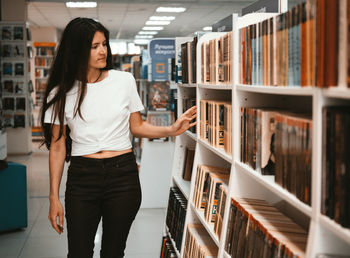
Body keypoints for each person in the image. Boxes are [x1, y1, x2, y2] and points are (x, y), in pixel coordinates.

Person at [40, 17, 197, 258]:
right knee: (79, 253)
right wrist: (53, 197)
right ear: (77, 50)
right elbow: (58, 147)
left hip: (122, 176)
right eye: (94, 46)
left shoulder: (123, 81)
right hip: (82, 179)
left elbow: (137, 126)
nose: (103, 51)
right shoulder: (61, 93)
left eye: (104, 44)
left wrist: (171, 129)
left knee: (113, 253)